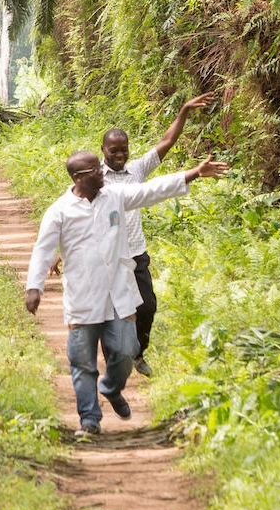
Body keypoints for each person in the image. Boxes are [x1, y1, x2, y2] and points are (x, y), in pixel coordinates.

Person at [25, 148, 227, 438]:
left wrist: (194, 173)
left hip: (118, 292)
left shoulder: (116, 196)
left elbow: (151, 190)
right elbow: (43, 250)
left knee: (125, 350)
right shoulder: (59, 211)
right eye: (95, 169)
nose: (102, 171)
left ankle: (111, 387)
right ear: (79, 177)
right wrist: (34, 287)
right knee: (82, 361)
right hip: (83, 296)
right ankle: (90, 419)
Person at [101, 91, 217, 377]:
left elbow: (166, 142)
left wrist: (185, 110)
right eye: (113, 150)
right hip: (107, 255)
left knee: (147, 306)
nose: (119, 155)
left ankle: (138, 354)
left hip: (136, 251)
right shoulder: (95, 177)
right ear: (103, 150)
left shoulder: (137, 171)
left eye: (123, 149)